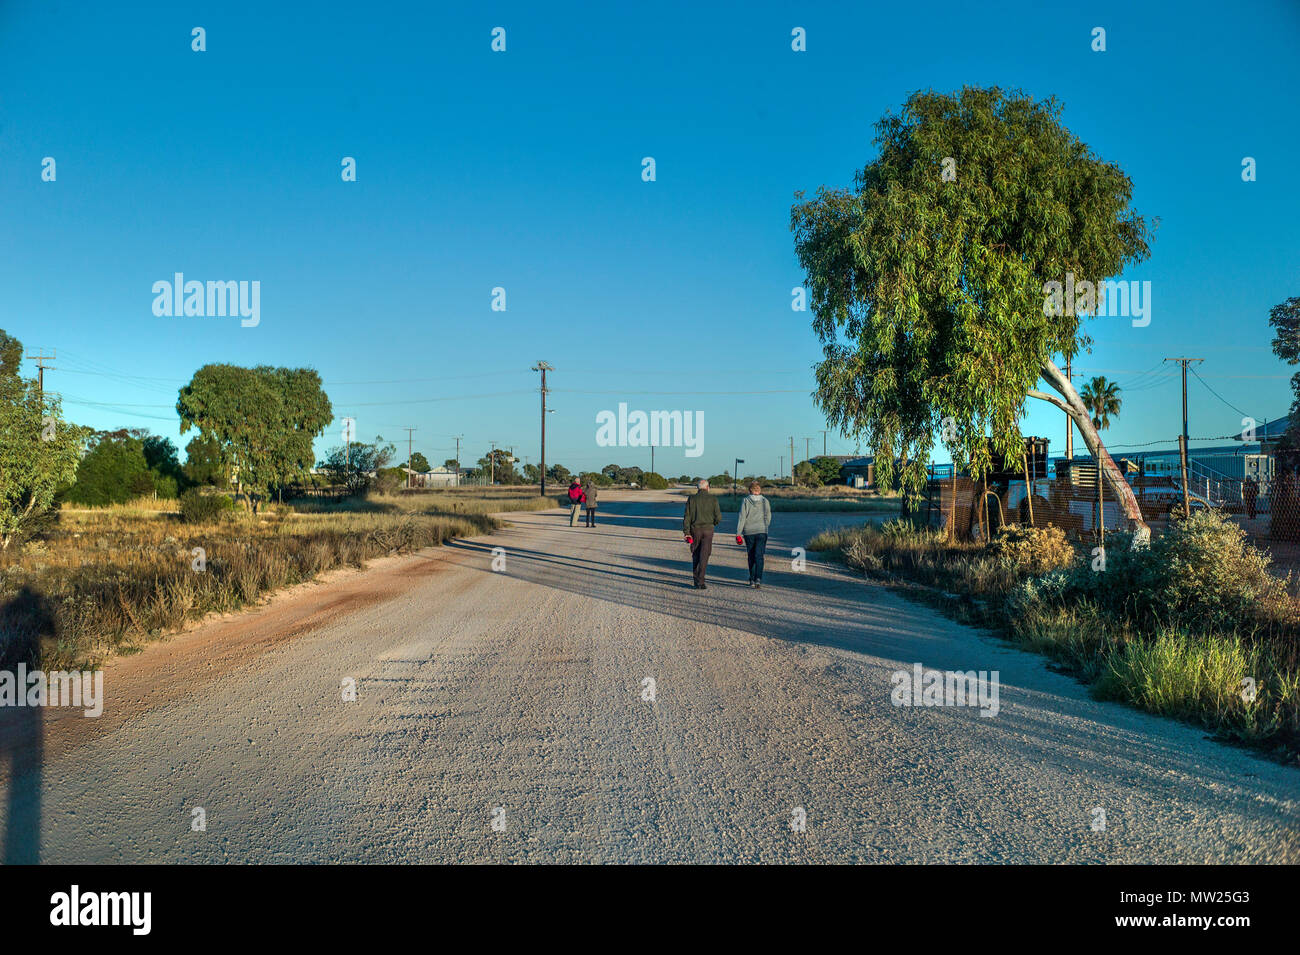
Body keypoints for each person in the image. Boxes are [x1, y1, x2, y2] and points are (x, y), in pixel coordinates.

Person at [682, 478, 722, 589]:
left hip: (695, 530)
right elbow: (718, 517)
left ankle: (696, 579)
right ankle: (701, 580)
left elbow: (687, 517)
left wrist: (686, 532)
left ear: (697, 488)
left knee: (695, 553)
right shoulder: (713, 499)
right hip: (708, 529)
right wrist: (713, 523)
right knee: (705, 555)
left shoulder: (692, 499)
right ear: (708, 487)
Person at [735, 481, 772, 588]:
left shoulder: (746, 501)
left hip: (748, 532)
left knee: (751, 555)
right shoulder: (765, 501)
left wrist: (738, 533)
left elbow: (742, 517)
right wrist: (765, 526)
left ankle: (751, 579)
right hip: (762, 531)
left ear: (750, 490)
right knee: (759, 556)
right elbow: (768, 516)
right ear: (759, 490)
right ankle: (758, 579)